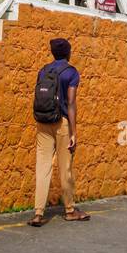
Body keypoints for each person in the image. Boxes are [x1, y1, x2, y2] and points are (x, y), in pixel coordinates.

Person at [29, 37, 91, 226]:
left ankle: (38, 213)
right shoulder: (71, 72)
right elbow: (71, 103)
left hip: (43, 122)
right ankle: (70, 210)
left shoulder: (43, 70)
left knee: (43, 168)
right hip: (62, 123)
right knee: (65, 169)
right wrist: (74, 132)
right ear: (68, 53)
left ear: (53, 52)